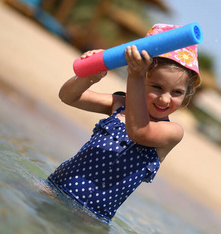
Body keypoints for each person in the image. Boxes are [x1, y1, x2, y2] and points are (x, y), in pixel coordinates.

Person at [47, 24, 201, 223]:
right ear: (143, 78)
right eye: (157, 86)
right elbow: (68, 96)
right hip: (54, 187)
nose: (164, 99)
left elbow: (139, 132)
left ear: (186, 94)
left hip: (90, 218)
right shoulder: (120, 104)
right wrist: (91, 75)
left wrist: (135, 76)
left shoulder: (171, 132)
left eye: (176, 92)